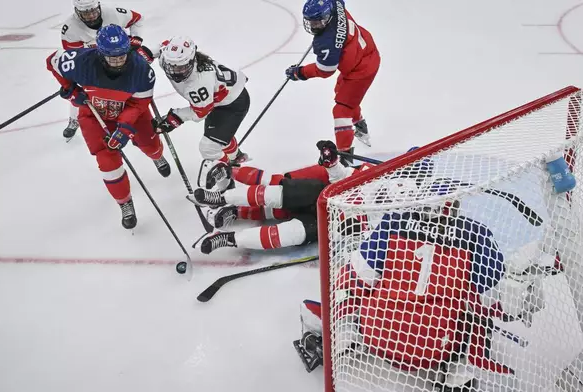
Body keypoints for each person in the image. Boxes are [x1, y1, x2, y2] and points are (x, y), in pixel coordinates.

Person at [293, 181, 551, 390]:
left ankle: (343, 334)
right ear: (454, 207)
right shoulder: (477, 234)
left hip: (376, 335)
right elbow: (490, 298)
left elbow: (360, 277)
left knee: (349, 284)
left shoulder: (392, 222)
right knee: (478, 314)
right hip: (437, 346)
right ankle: (458, 371)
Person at [187, 140, 417, 254]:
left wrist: (345, 233)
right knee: (279, 187)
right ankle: (223, 195)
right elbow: (342, 177)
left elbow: (362, 245)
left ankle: (230, 237)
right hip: (320, 194)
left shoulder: (393, 221)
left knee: (290, 233)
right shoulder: (373, 175)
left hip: (327, 223)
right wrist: (332, 162)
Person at [46, 24, 170, 230]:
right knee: (107, 160)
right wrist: (70, 88)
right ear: (100, 52)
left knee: (149, 142)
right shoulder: (81, 61)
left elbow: (139, 105)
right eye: (111, 57)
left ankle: (156, 156)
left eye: (121, 55)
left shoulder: (142, 71)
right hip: (94, 114)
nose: (117, 61)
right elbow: (51, 61)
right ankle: (125, 202)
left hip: (129, 111)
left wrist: (124, 128)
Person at [285, 0, 380, 151]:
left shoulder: (327, 42)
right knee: (342, 94)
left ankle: (345, 154)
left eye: (318, 22)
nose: (313, 26)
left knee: (341, 109)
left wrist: (300, 72)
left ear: (328, 17)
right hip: (364, 52)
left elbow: (325, 70)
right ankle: (360, 125)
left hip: (362, 69)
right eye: (311, 22)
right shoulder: (334, 4)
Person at [154, 36, 251, 167]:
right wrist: (145, 53)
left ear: (191, 61)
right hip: (218, 98)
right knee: (218, 137)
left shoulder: (199, 82)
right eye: (171, 65)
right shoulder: (169, 58)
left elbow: (200, 113)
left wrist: (176, 117)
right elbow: (161, 46)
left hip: (232, 103)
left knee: (209, 147)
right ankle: (235, 156)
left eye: (181, 67)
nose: (174, 71)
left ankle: (229, 174)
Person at [59, 0, 151, 139]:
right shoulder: (71, 29)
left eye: (94, 11)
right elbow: (74, 58)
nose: (91, 16)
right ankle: (74, 119)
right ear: (77, 11)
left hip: (122, 59)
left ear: (99, 6)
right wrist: (72, 85)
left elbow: (137, 19)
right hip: (94, 65)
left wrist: (136, 40)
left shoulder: (113, 13)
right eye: (86, 13)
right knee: (82, 94)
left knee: (134, 91)